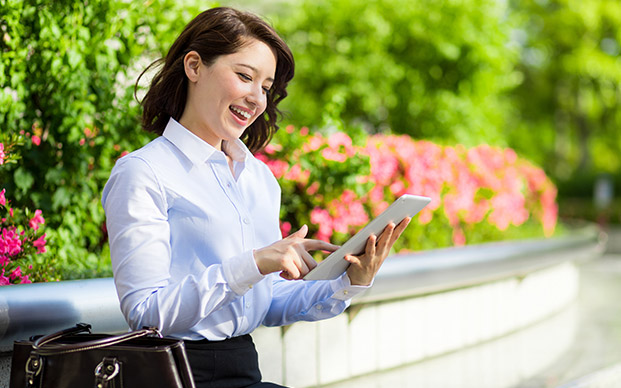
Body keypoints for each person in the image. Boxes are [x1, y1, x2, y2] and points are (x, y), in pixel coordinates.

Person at [102, 7, 410, 388]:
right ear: (194, 66)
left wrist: (348, 282)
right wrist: (256, 262)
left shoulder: (258, 178)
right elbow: (147, 313)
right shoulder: (143, 172)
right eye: (245, 76)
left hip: (244, 366)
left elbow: (265, 302)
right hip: (176, 375)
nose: (256, 99)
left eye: (265, 87)